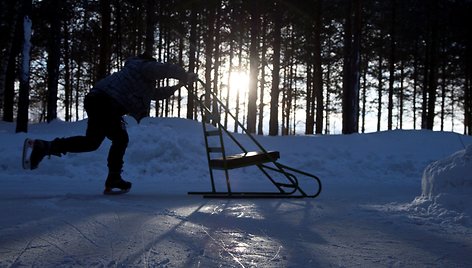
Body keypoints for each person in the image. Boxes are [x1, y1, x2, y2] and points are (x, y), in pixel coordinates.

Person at [28, 52, 197, 194]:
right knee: (119, 139)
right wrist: (184, 74)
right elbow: (164, 69)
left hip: (98, 100)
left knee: (93, 142)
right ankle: (114, 177)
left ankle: (45, 147)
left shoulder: (140, 81)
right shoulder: (143, 67)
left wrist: (179, 85)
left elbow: (157, 94)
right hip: (105, 103)